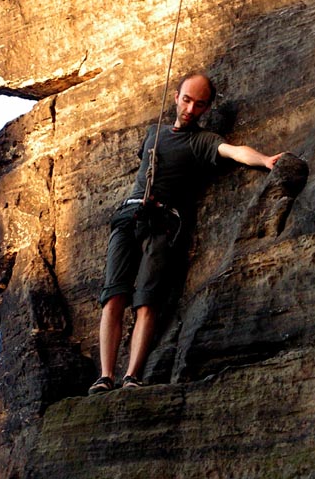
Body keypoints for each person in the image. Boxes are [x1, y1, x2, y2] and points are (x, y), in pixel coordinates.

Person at [88, 71, 283, 394]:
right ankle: (105, 376)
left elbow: (234, 151)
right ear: (176, 97)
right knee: (113, 296)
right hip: (128, 215)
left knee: (146, 301)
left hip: (163, 221)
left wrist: (264, 160)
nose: (191, 109)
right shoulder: (153, 134)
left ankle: (132, 376)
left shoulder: (201, 141)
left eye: (200, 104)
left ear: (206, 109)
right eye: (188, 100)